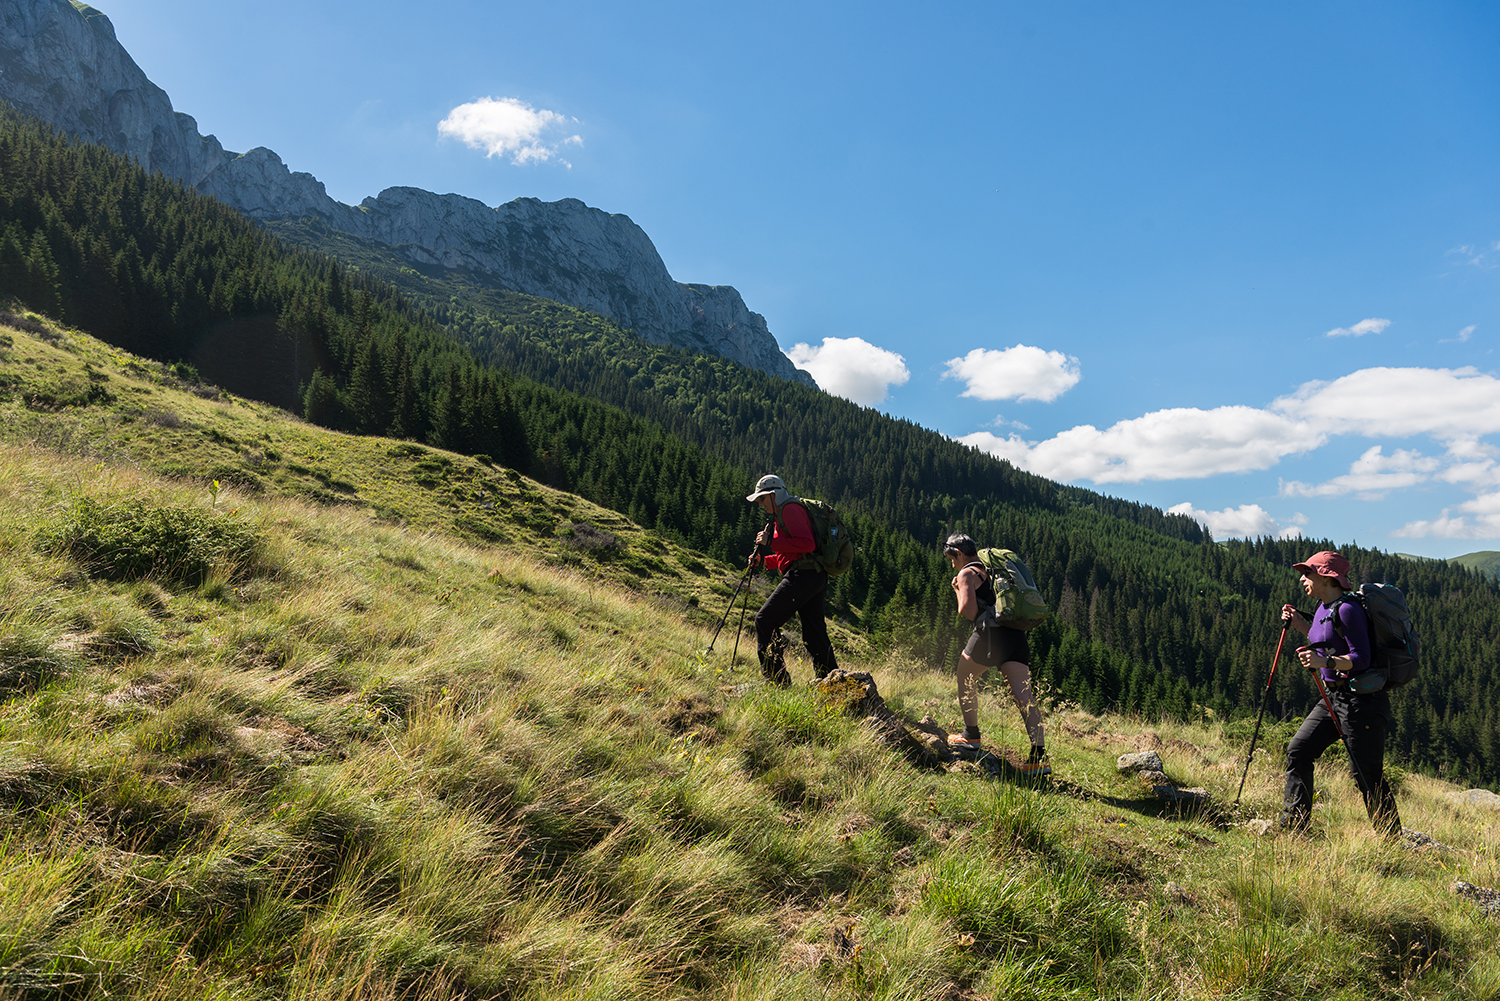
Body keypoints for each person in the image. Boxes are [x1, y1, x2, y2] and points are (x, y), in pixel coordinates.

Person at [1279, 550, 1402, 837]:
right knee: (1299, 751)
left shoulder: (1348, 609)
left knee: (1366, 774)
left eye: (1307, 573)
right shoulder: (1323, 607)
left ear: (1326, 577)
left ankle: (1392, 840)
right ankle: (1295, 827)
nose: (1302, 579)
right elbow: (1325, 639)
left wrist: (1325, 662)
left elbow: (1361, 657)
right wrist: (1299, 624)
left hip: (1362, 703)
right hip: (1333, 698)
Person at [942, 533, 1049, 776]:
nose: (953, 565)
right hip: (1016, 636)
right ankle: (1039, 758)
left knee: (965, 675)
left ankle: (971, 735)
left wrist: (958, 589)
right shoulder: (992, 570)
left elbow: (967, 611)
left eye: (952, 559)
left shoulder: (967, 573)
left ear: (959, 554)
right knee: (1024, 697)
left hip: (990, 637)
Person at [745, 474, 839, 686]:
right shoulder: (785, 512)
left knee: (765, 620)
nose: (760, 503)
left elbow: (806, 544)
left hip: (803, 576)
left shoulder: (789, 510)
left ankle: (778, 682)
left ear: (773, 495)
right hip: (813, 576)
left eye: (762, 498)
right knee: (814, 635)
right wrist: (763, 561)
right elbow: (790, 554)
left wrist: (770, 541)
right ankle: (833, 683)